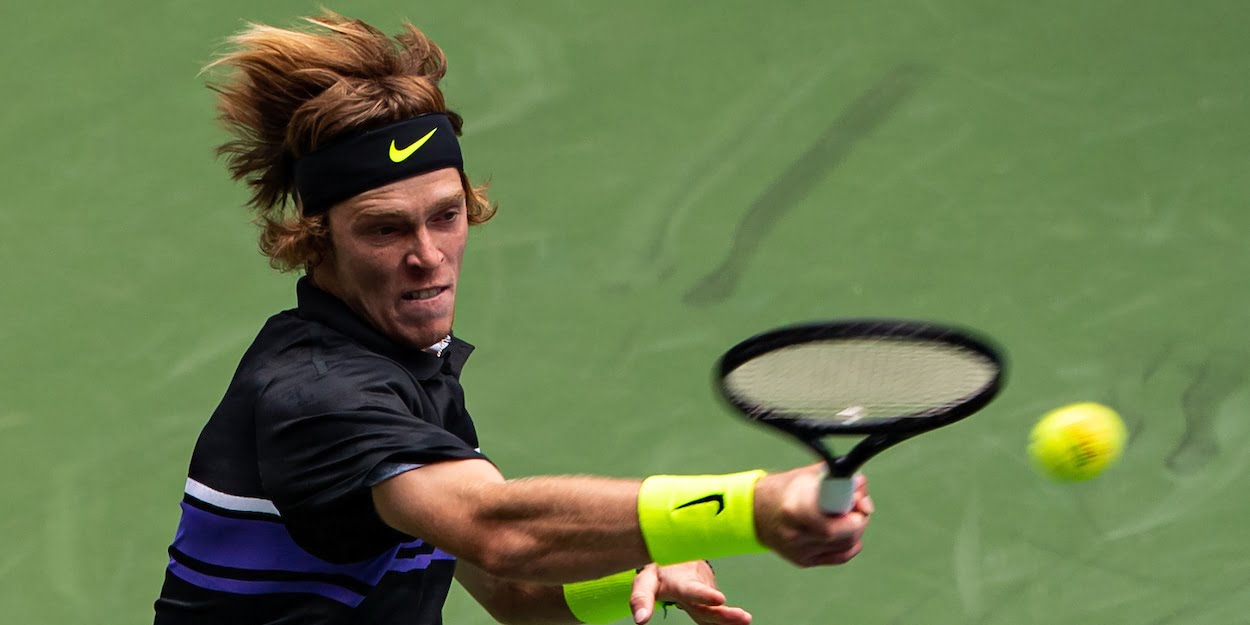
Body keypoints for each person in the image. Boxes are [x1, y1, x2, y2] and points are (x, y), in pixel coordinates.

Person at [153, 11, 873, 625]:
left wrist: (632, 579)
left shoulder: (406, 369)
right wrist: (748, 507)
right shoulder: (320, 398)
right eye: (385, 229)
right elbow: (498, 531)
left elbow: (510, 589)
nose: (428, 256)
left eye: (447, 215)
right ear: (318, 241)